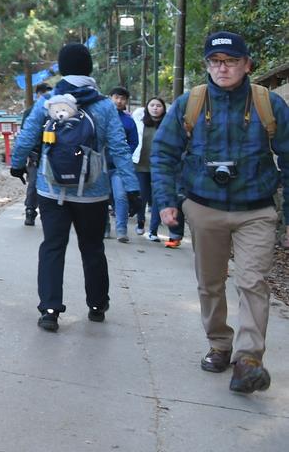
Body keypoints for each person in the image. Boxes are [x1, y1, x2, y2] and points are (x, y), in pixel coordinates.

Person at [150, 31, 289, 395]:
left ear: (247, 64)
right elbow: (163, 153)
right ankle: (219, 344)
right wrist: (166, 201)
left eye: (230, 61)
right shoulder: (189, 103)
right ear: (207, 66)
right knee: (210, 283)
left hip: (256, 210)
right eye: (215, 61)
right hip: (204, 207)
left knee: (252, 282)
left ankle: (248, 361)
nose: (222, 68)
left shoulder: (268, 104)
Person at [9, 43, 141, 332]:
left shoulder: (49, 101)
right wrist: (132, 188)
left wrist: (17, 165)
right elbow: (119, 148)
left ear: (62, 68)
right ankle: (96, 304)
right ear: (90, 69)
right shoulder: (105, 106)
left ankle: (49, 310)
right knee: (92, 247)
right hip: (93, 191)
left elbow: (27, 137)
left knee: (53, 246)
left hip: (51, 188)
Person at [107, 86, 139, 241]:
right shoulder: (101, 117)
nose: (119, 101)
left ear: (126, 101)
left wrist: (124, 156)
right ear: (110, 98)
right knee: (101, 198)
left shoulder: (128, 121)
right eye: (116, 97)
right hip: (100, 166)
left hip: (120, 167)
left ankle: (121, 230)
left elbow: (134, 142)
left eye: (122, 98)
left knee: (121, 196)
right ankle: (104, 228)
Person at [137, 95, 169, 241]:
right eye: (152, 105)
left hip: (161, 168)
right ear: (147, 108)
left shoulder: (168, 124)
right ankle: (140, 222)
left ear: (163, 109)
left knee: (158, 199)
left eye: (158, 105)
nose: (155, 108)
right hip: (141, 166)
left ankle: (153, 230)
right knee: (142, 196)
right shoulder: (139, 122)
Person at [22, 81, 53, 226]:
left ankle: (49, 214)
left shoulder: (55, 110)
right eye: (44, 93)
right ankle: (30, 210)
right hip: (35, 153)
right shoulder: (30, 112)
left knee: (51, 183)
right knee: (33, 183)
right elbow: (25, 135)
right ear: (38, 95)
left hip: (52, 153)